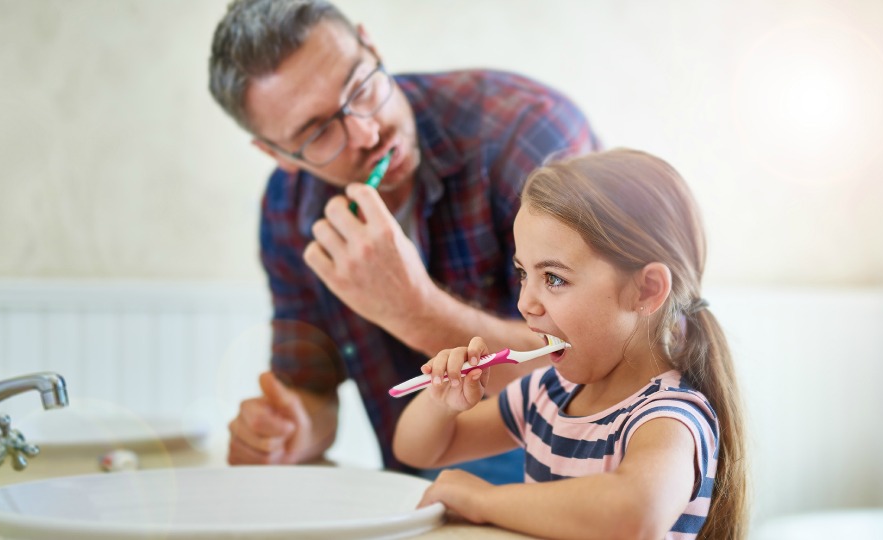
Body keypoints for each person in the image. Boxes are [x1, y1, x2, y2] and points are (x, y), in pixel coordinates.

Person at [207, 0, 599, 483]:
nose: (367, 132)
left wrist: (411, 308)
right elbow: (313, 393)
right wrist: (293, 430)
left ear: (371, 46)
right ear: (276, 153)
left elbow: (592, 364)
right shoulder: (289, 209)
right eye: (318, 131)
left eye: (360, 86)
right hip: (415, 498)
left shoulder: (527, 132)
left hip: (573, 489)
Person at [393, 149, 748, 539]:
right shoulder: (546, 394)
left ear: (646, 290)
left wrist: (483, 501)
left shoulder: (669, 416)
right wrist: (441, 402)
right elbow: (418, 450)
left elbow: (635, 514)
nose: (525, 303)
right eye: (523, 273)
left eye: (554, 278)